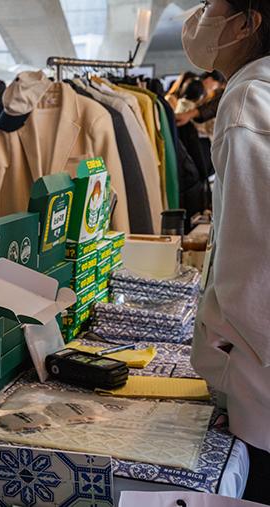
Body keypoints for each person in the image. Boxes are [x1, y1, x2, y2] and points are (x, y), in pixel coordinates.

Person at [182, 0, 270, 503]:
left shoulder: (248, 102)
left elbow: (252, 260)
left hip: (259, 379)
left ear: (248, 22)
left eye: (213, 4)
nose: (200, 15)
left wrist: (217, 353)